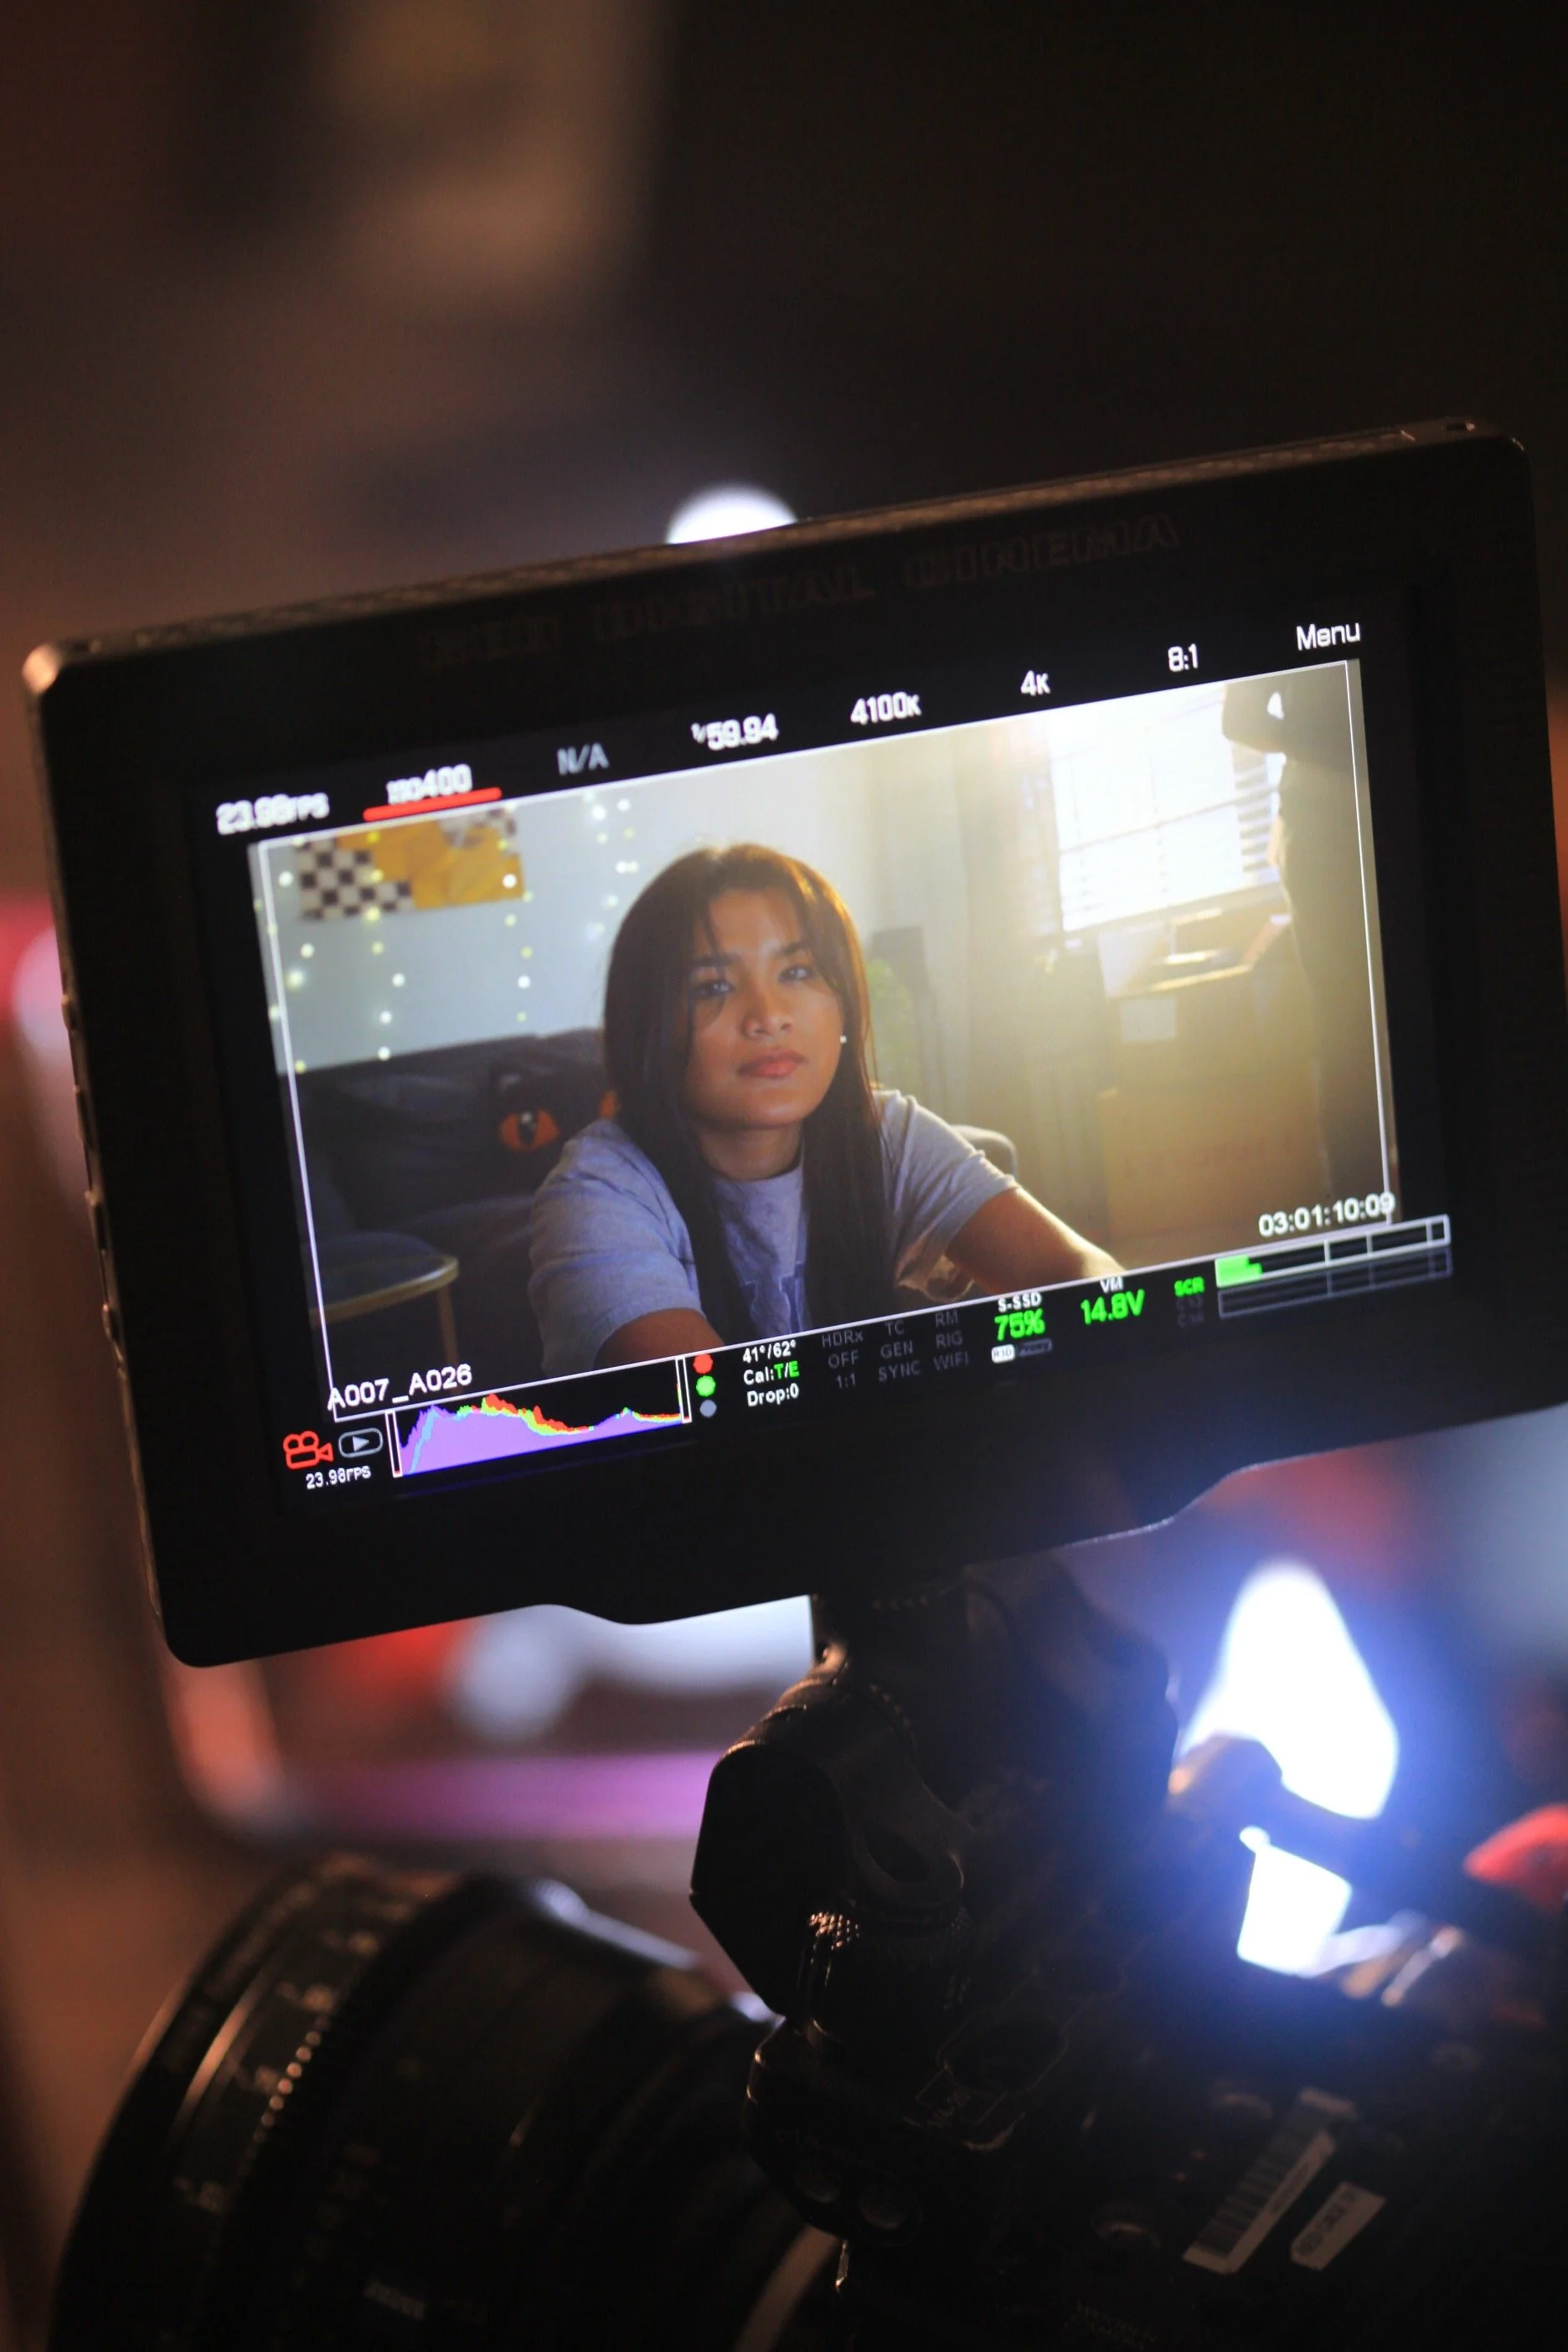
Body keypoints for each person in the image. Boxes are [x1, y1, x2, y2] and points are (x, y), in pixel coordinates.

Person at [528, 845, 1118, 1374]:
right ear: (647, 1025)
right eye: (713, 987)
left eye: (798, 972)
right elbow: (712, 1413)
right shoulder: (599, 1191)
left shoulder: (886, 1132)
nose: (769, 1015)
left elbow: (1088, 1280)